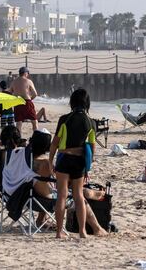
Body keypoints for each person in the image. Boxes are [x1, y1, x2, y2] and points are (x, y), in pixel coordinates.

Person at [49, 88, 97, 239]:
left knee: (62, 196)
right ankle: (82, 231)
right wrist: (87, 168)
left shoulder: (65, 119)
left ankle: (58, 232)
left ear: (72, 102)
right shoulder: (91, 122)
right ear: (86, 103)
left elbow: (55, 143)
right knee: (79, 196)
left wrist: (51, 161)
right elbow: (92, 147)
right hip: (80, 161)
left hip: (64, 158)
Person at [9, 67, 38, 134]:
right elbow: (35, 94)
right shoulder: (28, 81)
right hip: (27, 102)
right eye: (27, 73)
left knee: (19, 123)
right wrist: (31, 99)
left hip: (18, 102)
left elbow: (10, 91)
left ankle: (18, 138)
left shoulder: (14, 81)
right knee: (34, 121)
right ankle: (36, 137)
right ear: (25, 73)